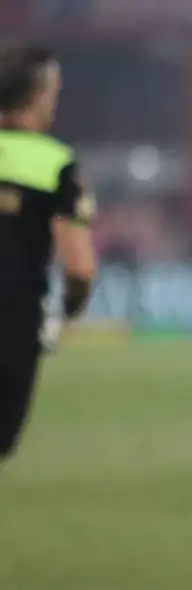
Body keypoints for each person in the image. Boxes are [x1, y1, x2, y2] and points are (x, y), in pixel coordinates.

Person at [0, 44, 97, 469]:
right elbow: (79, 266)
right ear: (39, 94)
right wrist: (69, 310)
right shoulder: (54, 163)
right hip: (13, 319)